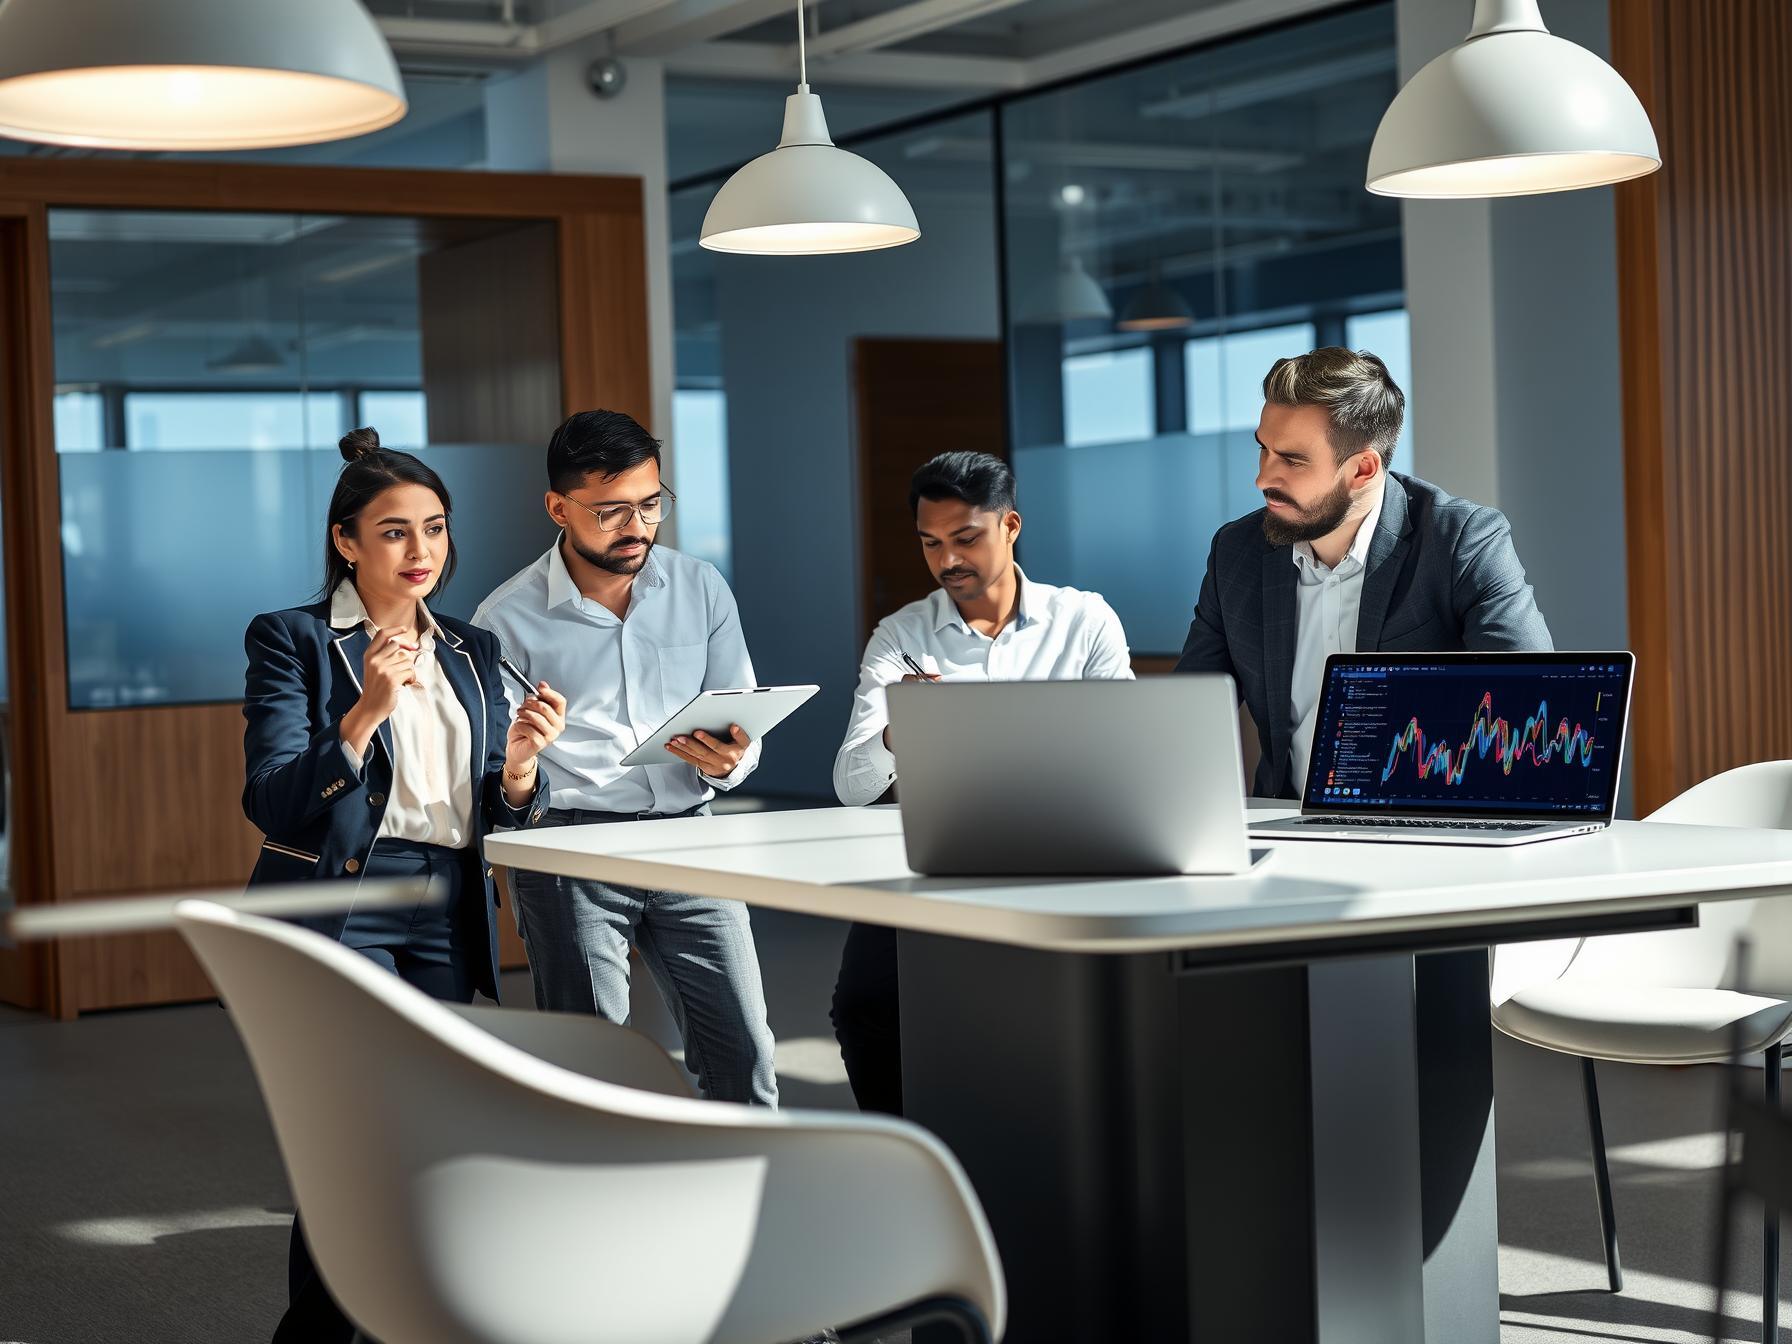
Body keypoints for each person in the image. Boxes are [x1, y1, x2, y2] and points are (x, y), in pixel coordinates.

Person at [242, 426, 566, 1344]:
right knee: (359, 1139)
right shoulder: (294, 641)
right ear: (347, 541)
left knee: (433, 1137)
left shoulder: (471, 647)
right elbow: (272, 802)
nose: (421, 551)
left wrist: (519, 772)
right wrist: (362, 716)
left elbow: (498, 819)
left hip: (445, 905)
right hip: (345, 907)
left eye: (435, 528)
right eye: (393, 532)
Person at [473, 409, 778, 1107]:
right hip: (572, 847)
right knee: (591, 1069)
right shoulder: (505, 619)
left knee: (745, 1052)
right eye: (612, 512)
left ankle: (753, 1204)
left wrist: (728, 760)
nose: (637, 527)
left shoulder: (700, 587)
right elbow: (499, 780)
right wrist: (522, 765)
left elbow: (740, 725)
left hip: (690, 836)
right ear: (558, 508)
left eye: (650, 505)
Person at [831, 450, 1133, 1114]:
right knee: (863, 1006)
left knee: (1068, 1009)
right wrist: (896, 732)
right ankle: (906, 1152)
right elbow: (851, 785)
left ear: (1011, 526)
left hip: (1062, 856)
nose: (948, 561)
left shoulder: (1085, 621)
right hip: (931, 861)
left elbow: (1127, 754)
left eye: (966, 538)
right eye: (931, 543)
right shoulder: (901, 636)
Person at [1176, 346, 1552, 800]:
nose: (1262, 478)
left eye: (1292, 460)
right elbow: (1184, 718)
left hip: (1427, 831)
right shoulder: (1236, 553)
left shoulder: (1460, 540)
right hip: (1283, 829)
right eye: (1263, 449)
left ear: (1363, 469)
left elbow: (1529, 703)